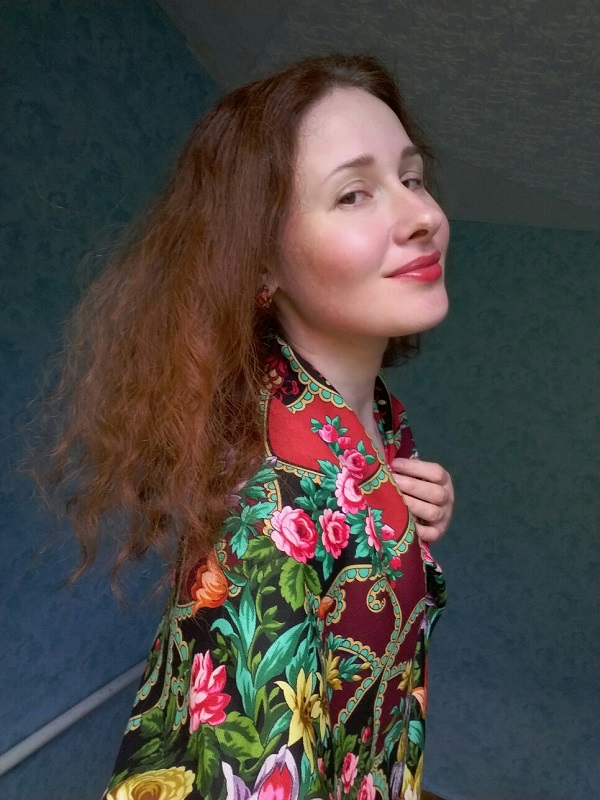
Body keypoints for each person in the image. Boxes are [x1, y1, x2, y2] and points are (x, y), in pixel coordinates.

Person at [48, 54, 454, 799]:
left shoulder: (364, 414)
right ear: (261, 265)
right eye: (354, 194)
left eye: (412, 178)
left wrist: (405, 515)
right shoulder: (273, 508)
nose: (422, 216)